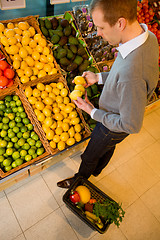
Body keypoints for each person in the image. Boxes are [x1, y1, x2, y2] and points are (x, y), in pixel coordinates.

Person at [57, 0, 159, 188]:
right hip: (119, 109)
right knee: (107, 148)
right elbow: (122, 73)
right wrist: (99, 77)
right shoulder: (147, 37)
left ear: (120, 23)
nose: (98, 34)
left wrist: (92, 111)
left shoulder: (132, 74)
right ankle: (98, 168)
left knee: (90, 154)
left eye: (101, 27)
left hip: (112, 125)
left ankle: (81, 178)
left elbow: (131, 125)